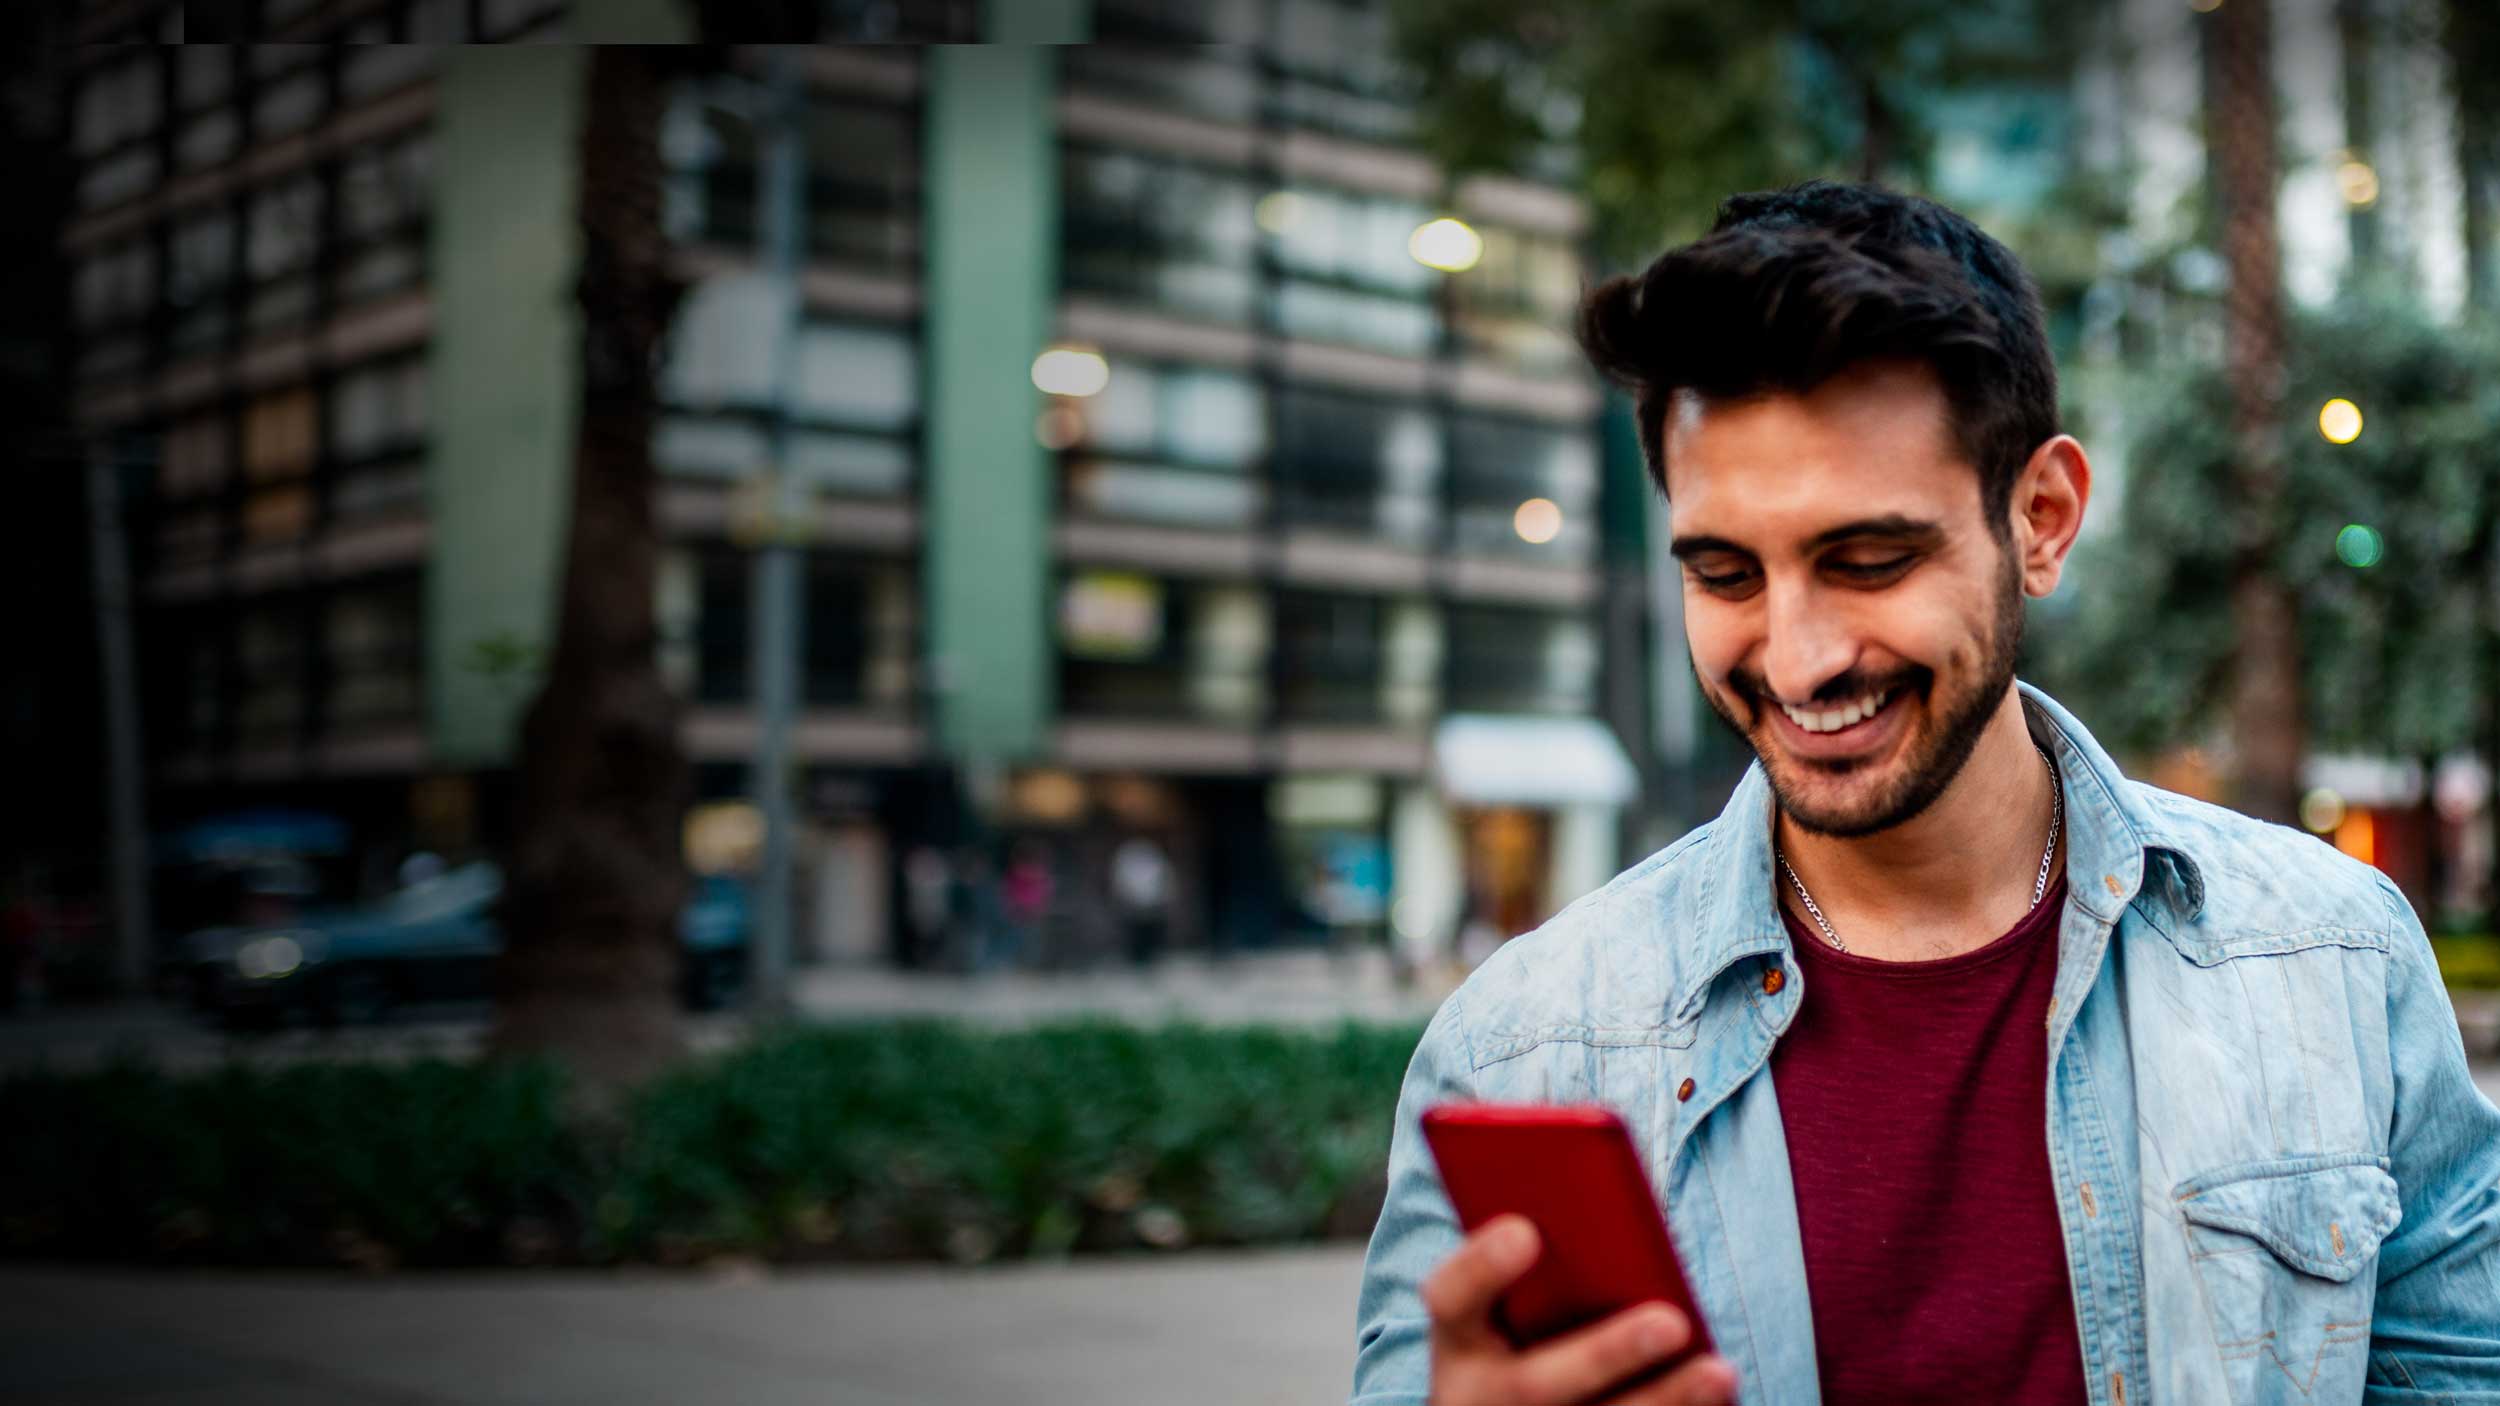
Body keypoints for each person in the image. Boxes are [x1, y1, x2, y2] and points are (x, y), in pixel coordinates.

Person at [1350, 182, 2500, 1406]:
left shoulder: (2334, 955)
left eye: (1869, 560)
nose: (1798, 658)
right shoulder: (1519, 1054)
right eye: (1726, 573)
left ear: (2041, 520)